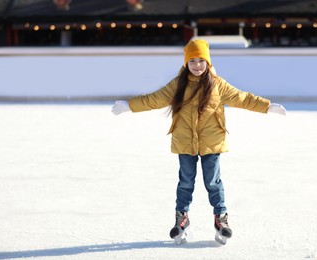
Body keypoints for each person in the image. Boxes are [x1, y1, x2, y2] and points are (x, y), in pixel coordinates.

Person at [112, 39, 286, 243]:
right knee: (186, 182)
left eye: (201, 60)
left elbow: (243, 98)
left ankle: (221, 220)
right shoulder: (178, 85)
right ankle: (181, 219)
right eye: (192, 61)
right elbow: (154, 99)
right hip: (185, 141)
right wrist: (129, 105)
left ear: (208, 62)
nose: (196, 65)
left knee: (213, 182)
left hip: (211, 142)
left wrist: (267, 107)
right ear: (186, 63)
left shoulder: (217, 84)